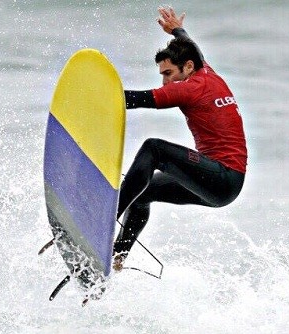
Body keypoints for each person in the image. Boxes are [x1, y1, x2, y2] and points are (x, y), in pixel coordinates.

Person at [113, 6, 247, 270]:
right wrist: (176, 29)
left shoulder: (190, 89)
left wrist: (95, 91)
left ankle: (105, 219)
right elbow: (192, 47)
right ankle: (117, 256)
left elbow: (134, 100)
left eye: (168, 74)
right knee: (141, 193)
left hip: (222, 177)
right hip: (219, 183)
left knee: (155, 149)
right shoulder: (205, 70)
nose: (165, 83)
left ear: (187, 68)